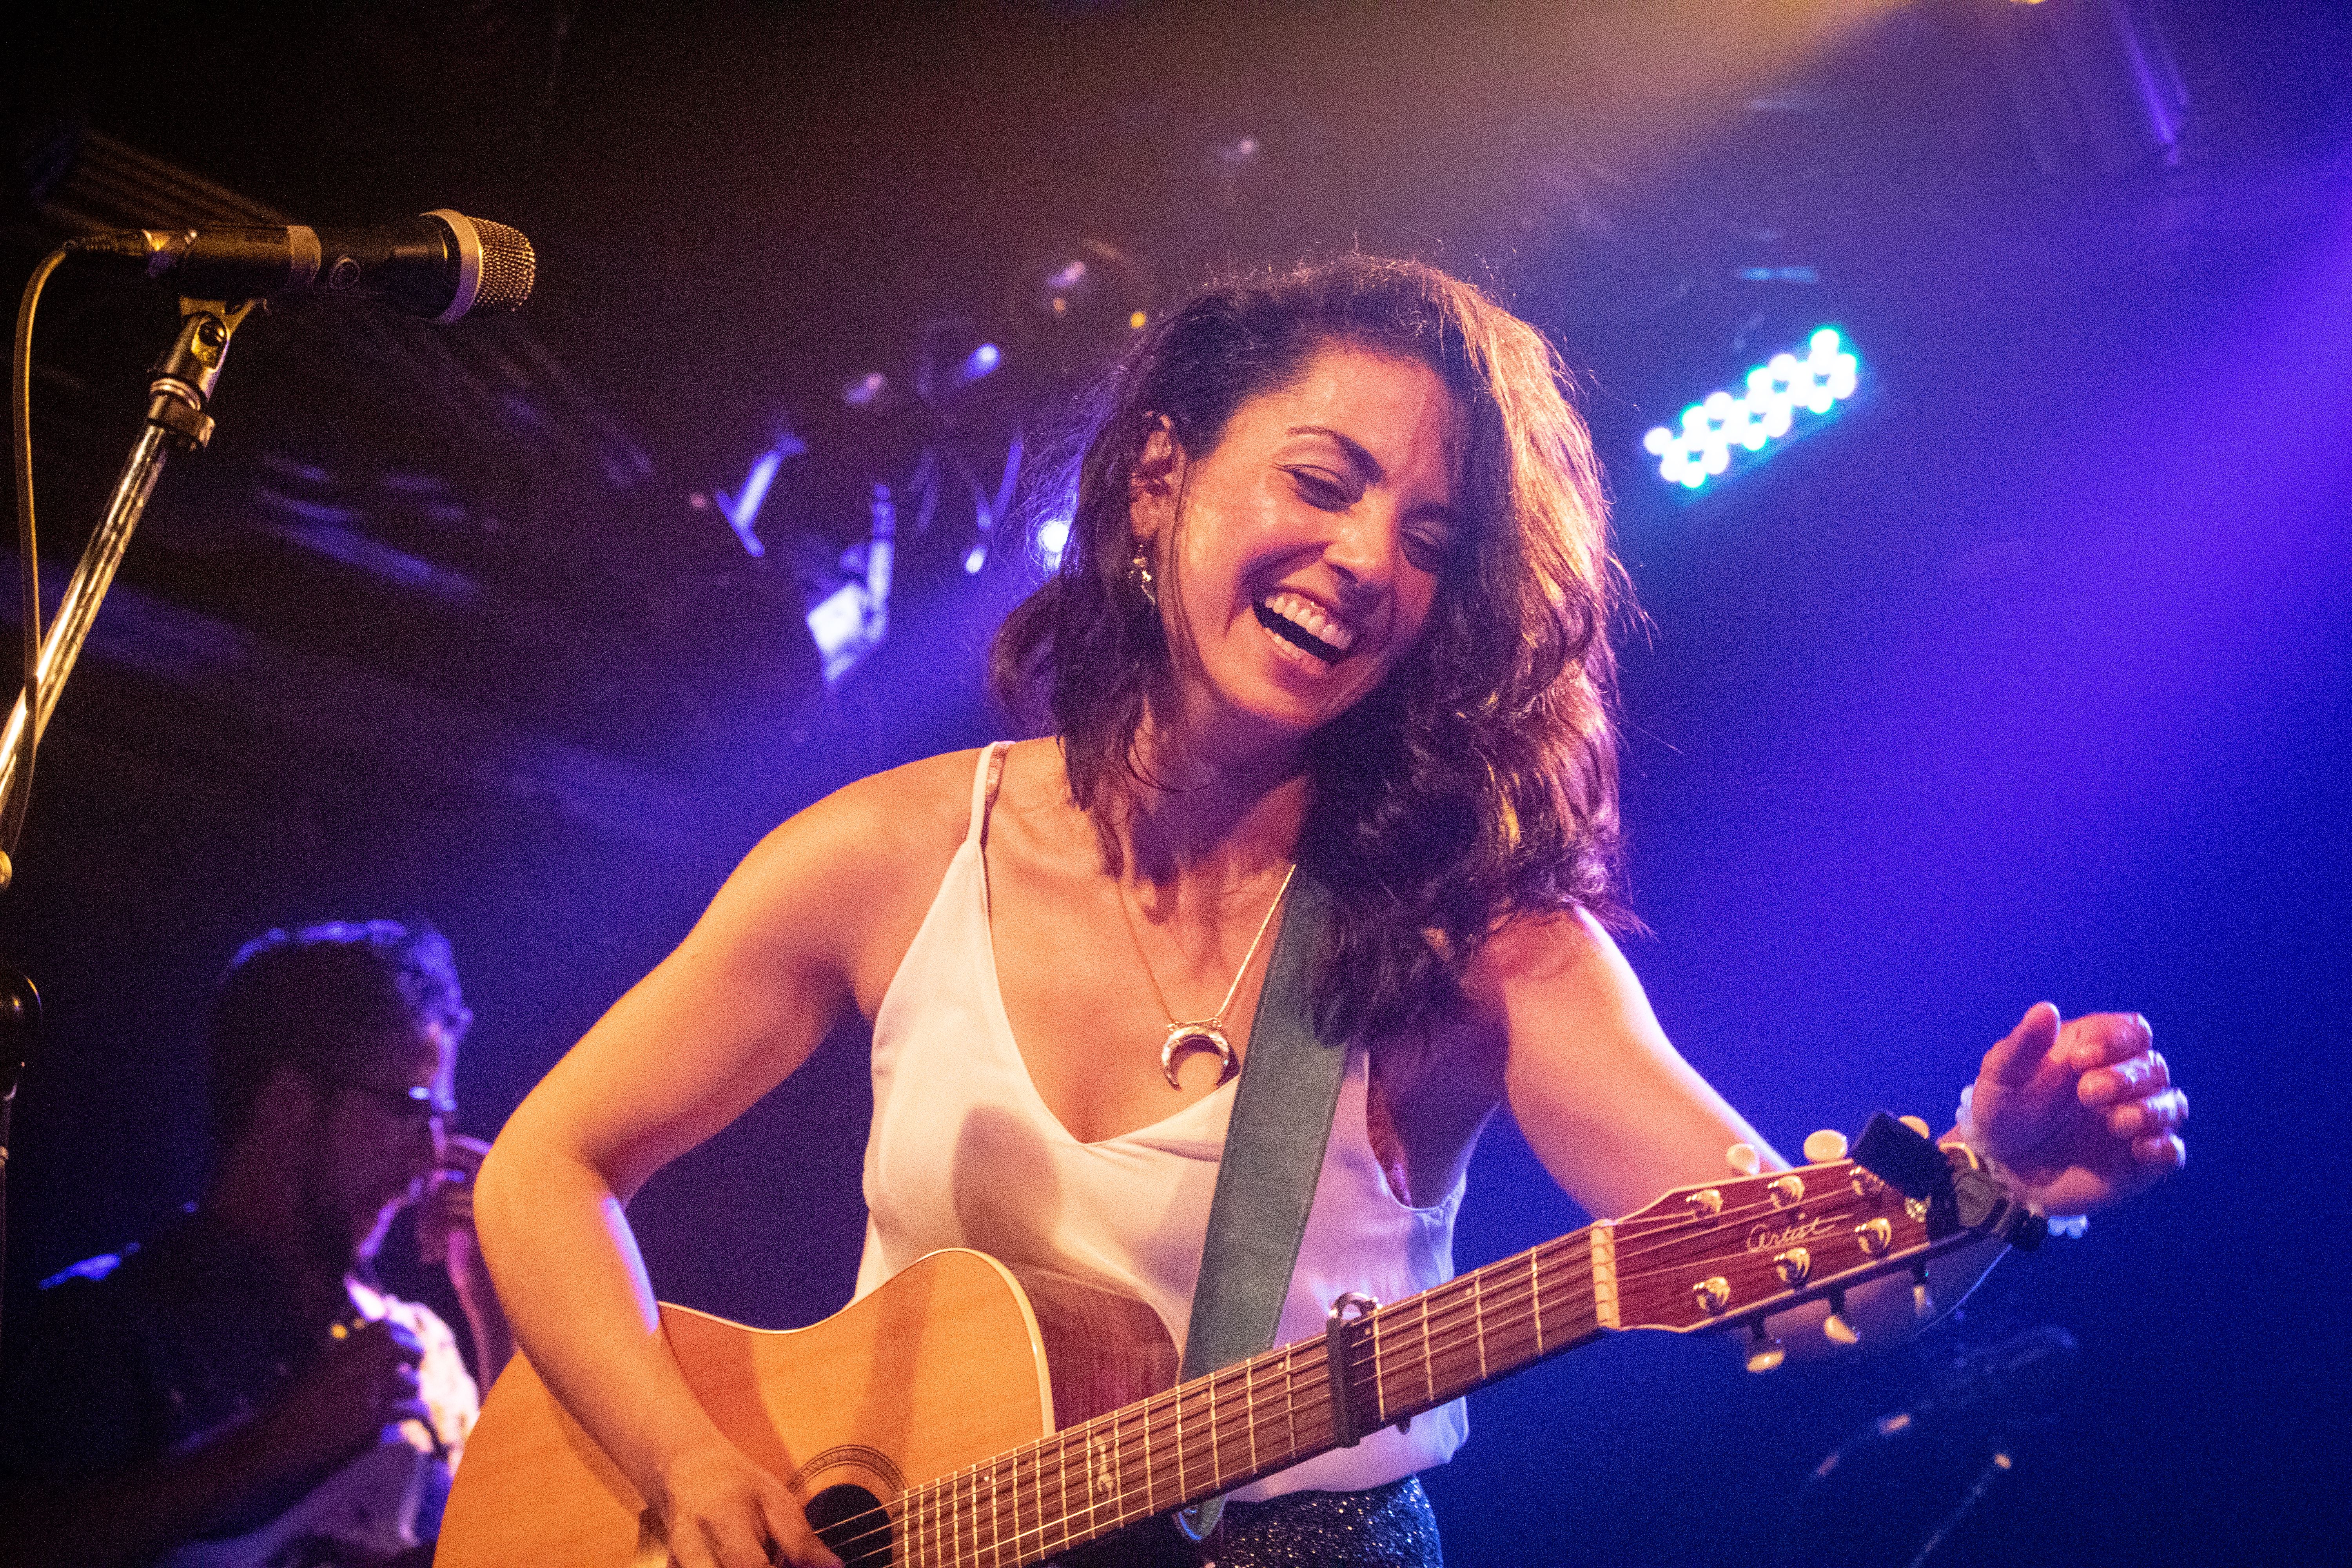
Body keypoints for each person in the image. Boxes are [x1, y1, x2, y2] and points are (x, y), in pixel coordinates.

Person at [474, 257, 2188, 1568]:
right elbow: (542, 1168)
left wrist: (1982, 1183)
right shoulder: (890, 850)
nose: (1366, 557)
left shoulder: (1479, 944)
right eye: (1322, 479)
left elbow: (1797, 1283)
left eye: (1429, 534)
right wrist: (685, 1461)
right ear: (1158, 478)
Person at [0, 919, 511, 1568]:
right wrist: (270, 1445)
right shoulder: (105, 1324)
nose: (433, 1158)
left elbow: (519, 1537)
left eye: (443, 1120)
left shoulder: (425, 1341)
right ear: (289, 1102)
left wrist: (495, 1308)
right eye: (409, 1109)